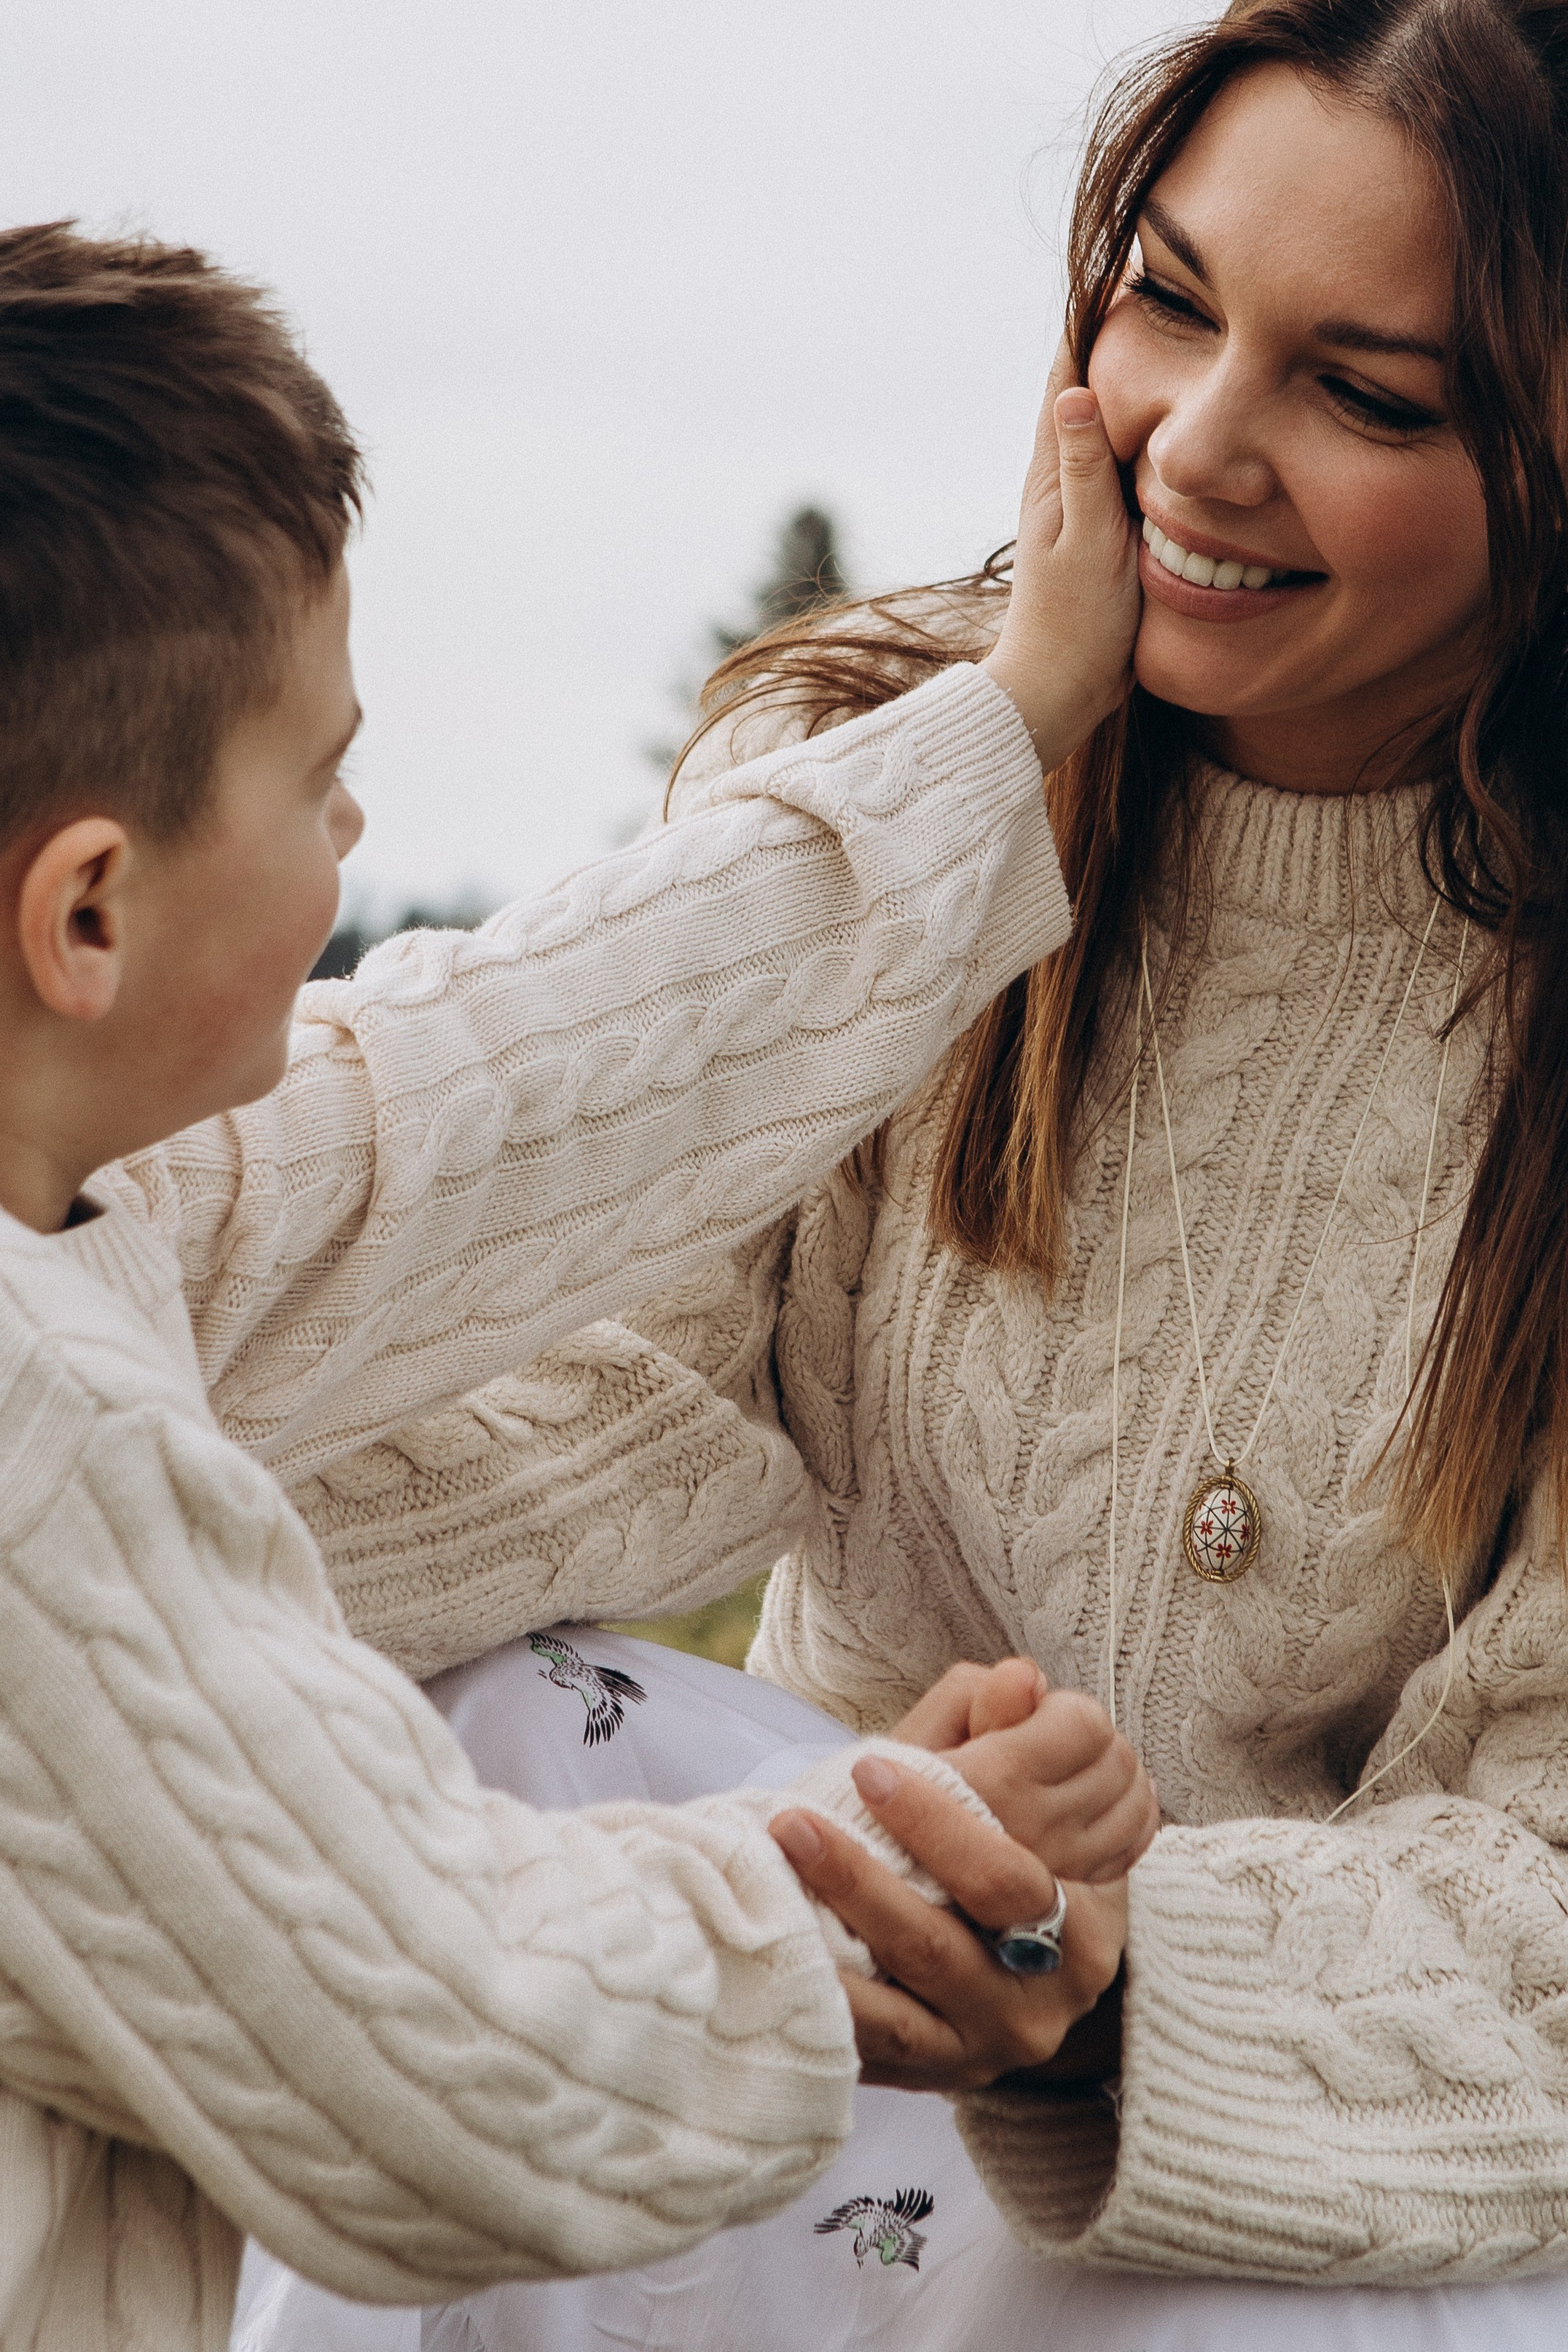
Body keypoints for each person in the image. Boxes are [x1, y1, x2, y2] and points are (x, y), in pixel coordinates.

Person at [249, 0, 1568, 2345]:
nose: (1195, 442)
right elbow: (590, 1377)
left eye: (1365, 396)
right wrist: (140, 1513)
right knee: (441, 1726)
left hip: (1263, 2100)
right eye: (1166, 301)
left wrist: (1126, 1965)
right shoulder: (886, 767)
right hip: (841, 1945)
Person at [0, 219, 1162, 2351]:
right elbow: (447, 2055)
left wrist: (1008, 720)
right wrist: (876, 1860)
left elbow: (496, 1081)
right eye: (316, 776)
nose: (358, 819)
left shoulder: (78, 1205)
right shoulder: (39, 1462)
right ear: (89, 913)